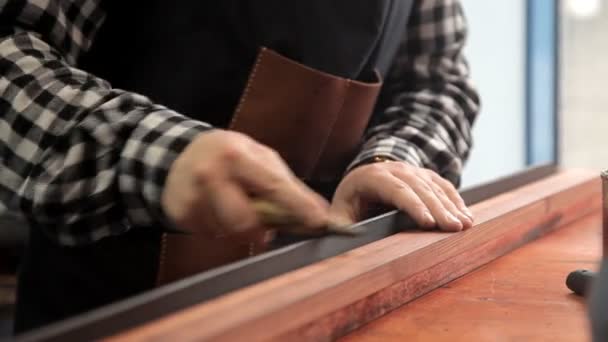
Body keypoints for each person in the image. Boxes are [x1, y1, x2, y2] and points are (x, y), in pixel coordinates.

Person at [0, 0, 480, 333]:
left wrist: (392, 158)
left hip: (323, 310)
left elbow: (435, 81)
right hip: (114, 309)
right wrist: (153, 153)